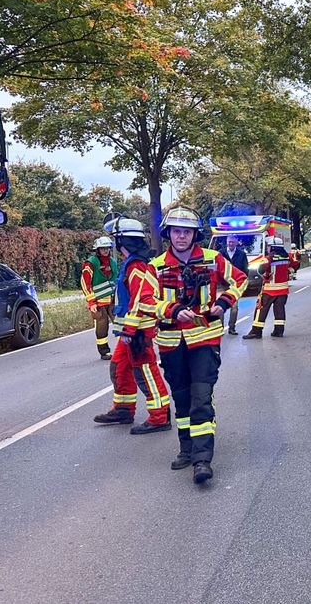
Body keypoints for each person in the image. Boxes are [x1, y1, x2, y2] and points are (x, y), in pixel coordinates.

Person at [152, 206, 246, 484]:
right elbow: (144, 302)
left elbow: (240, 280)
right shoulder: (155, 266)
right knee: (181, 399)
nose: (181, 236)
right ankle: (187, 449)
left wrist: (223, 302)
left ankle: (202, 460)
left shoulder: (214, 259)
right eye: (177, 231)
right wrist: (169, 309)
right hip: (170, 342)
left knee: (201, 397)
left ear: (195, 234)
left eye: (187, 231)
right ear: (168, 234)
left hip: (204, 338)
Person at [93, 217, 171, 434]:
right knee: (119, 367)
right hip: (128, 331)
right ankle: (123, 409)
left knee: (145, 372)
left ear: (121, 242)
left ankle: (160, 416)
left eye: (115, 241)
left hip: (137, 331)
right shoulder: (132, 263)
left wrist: (130, 330)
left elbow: (140, 300)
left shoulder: (136, 266)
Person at [243, 235, 299, 339]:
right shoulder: (288, 256)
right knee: (279, 310)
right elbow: (296, 265)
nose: (267, 248)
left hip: (269, 290)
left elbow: (260, 269)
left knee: (261, 310)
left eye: (268, 246)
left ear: (272, 247)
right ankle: (279, 331)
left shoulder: (268, 258)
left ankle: (256, 332)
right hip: (283, 290)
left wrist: (266, 276)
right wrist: (289, 271)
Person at [81, 236, 118, 359]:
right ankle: (104, 351)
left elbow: (116, 280)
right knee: (102, 328)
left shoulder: (112, 262)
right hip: (98, 302)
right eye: (102, 248)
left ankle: (125, 349)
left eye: (107, 248)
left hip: (113, 300)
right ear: (97, 250)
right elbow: (85, 283)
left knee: (120, 324)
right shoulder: (90, 263)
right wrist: (91, 302)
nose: (105, 251)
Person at [219, 234, 249, 335]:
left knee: (234, 307)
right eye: (229, 242)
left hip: (235, 285)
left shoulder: (241, 254)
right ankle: (220, 328)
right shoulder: (221, 254)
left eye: (232, 242)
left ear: (236, 242)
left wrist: (243, 282)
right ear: (227, 242)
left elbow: (245, 269)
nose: (230, 244)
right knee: (220, 307)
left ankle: (232, 328)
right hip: (223, 284)